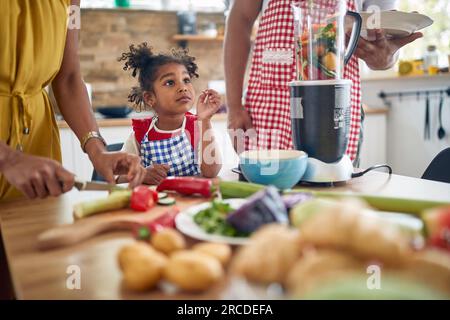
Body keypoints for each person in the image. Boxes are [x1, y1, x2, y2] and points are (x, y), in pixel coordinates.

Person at [224, 0, 423, 164]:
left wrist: (385, 57)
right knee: (266, 198)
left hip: (335, 107)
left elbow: (385, 42)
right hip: (268, 108)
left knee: (330, 195)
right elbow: (240, 17)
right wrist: (233, 106)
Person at [0, 0, 146, 201]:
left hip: (37, 141)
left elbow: (68, 77)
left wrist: (97, 150)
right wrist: (8, 158)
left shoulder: (72, 3)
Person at [118, 43, 222, 185]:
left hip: (191, 201)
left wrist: (205, 120)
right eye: (170, 83)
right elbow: (117, 178)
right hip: (154, 204)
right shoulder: (140, 134)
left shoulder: (199, 127)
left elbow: (211, 172)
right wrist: (141, 174)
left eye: (186, 80)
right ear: (150, 98)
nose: (183, 88)